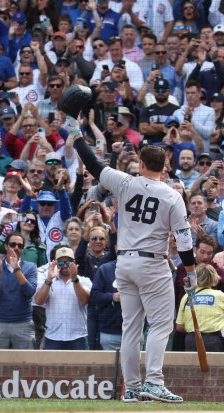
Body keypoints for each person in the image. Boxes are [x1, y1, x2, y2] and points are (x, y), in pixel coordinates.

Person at [68, 106, 196, 403]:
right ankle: (153, 381)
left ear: (140, 162)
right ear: (165, 166)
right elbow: (185, 241)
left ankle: (133, 388)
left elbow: (92, 162)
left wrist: (76, 133)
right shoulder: (172, 195)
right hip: (152, 263)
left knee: (131, 328)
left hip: (123, 261)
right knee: (161, 324)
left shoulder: (125, 181)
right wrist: (189, 271)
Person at [0, 232, 38, 349]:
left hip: (24, 323)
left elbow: (29, 292)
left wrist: (17, 269)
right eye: (13, 244)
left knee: (26, 365)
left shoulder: (30, 267)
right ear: (6, 246)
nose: (16, 248)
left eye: (20, 246)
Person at [34, 247, 92, 350]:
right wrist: (49, 279)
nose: (65, 265)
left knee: (81, 366)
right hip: (53, 337)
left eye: (68, 262)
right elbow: (38, 301)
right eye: (61, 263)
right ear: (56, 264)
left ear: (73, 262)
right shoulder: (47, 281)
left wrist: (75, 279)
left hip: (78, 337)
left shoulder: (84, 281)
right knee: (50, 366)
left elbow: (85, 300)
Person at [175, 263, 224, 352]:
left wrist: (194, 329)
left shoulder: (187, 297)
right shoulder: (219, 295)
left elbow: (179, 327)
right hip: (214, 341)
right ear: (214, 278)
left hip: (191, 340)